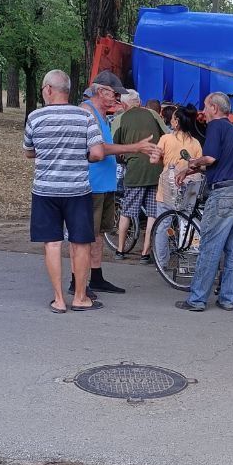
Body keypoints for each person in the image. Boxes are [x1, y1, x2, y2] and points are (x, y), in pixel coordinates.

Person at [23, 69, 105, 313]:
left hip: (45, 190)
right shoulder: (85, 117)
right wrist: (82, 156)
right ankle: (80, 297)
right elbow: (98, 153)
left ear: (49, 89)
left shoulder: (35, 117)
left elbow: (29, 150)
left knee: (52, 243)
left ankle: (58, 299)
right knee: (80, 243)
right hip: (77, 191)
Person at [76, 71, 160, 296]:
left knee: (98, 235)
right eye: (115, 93)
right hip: (90, 185)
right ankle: (78, 282)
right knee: (84, 237)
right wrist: (135, 147)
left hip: (104, 185)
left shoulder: (103, 115)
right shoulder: (87, 112)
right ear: (101, 91)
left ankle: (96, 277)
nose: (117, 98)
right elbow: (100, 149)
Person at [173, 92, 233, 311]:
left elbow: (210, 158)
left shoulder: (216, 127)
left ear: (215, 108)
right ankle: (228, 298)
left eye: (205, 107)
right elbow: (217, 164)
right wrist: (191, 170)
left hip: (223, 194)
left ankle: (197, 299)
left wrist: (190, 164)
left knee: (210, 245)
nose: (203, 112)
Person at [113, 90, 164, 264]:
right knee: (152, 213)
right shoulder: (154, 114)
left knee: (127, 211)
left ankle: (120, 250)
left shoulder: (121, 118)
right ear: (139, 101)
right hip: (156, 169)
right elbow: (166, 134)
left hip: (135, 170)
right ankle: (145, 252)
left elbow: (114, 146)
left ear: (124, 105)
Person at [153, 105, 203, 267]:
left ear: (177, 122)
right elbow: (199, 166)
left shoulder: (166, 139)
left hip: (167, 188)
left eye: (173, 118)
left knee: (162, 225)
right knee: (186, 224)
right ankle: (186, 263)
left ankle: (162, 263)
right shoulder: (196, 143)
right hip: (189, 190)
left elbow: (155, 159)